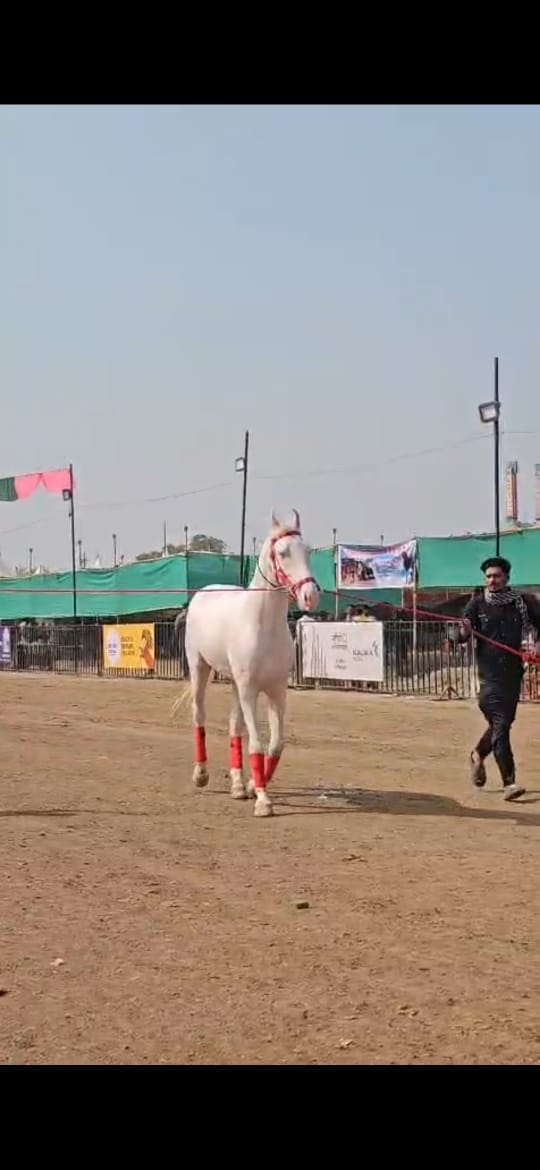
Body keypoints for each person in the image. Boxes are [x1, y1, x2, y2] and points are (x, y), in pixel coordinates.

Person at [451, 556, 540, 801]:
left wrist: (537, 647)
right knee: (501, 725)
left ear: (507, 578)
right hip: (488, 676)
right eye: (488, 576)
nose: (492, 580)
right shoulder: (476, 606)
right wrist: (463, 632)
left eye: (497, 576)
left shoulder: (522, 602)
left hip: (513, 673)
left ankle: (478, 754)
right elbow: (457, 635)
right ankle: (509, 783)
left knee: (503, 724)